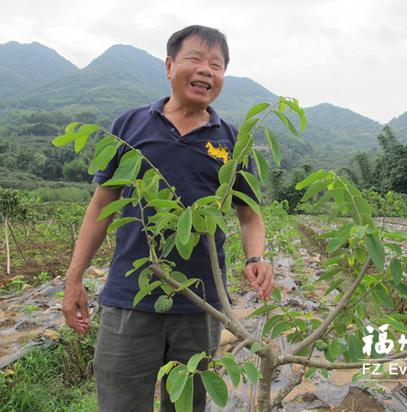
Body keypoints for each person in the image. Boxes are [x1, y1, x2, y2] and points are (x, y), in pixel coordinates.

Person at [62, 25, 274, 412]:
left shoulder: (231, 140)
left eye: (217, 65)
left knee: (188, 405)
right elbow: (100, 207)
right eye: (195, 59)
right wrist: (74, 278)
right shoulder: (130, 127)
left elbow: (249, 215)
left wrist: (256, 258)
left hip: (202, 302)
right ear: (169, 65)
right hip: (131, 296)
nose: (207, 70)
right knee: (120, 402)